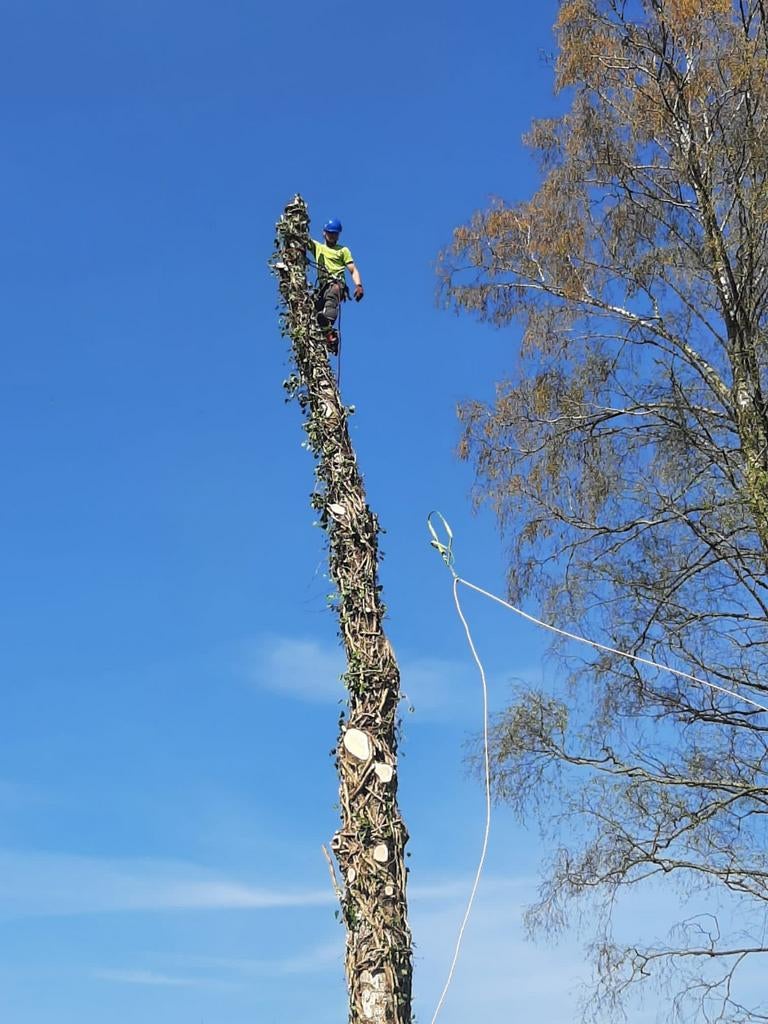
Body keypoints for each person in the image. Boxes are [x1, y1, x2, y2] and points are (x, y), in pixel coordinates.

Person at [307, 218, 364, 354]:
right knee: (313, 312)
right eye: (330, 233)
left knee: (332, 297)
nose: (332, 236)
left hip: (336, 284)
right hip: (322, 288)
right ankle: (329, 336)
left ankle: (328, 321)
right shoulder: (317, 247)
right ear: (324, 233)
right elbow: (303, 240)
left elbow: (353, 269)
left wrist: (358, 285)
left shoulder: (343, 251)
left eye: (335, 234)